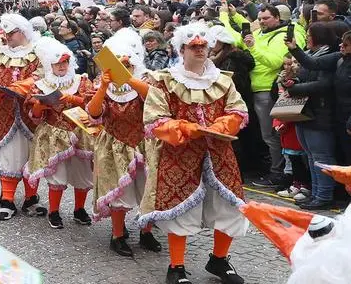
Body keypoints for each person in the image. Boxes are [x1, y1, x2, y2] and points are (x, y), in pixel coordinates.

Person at [139, 23, 250, 284]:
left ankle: (220, 260)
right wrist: (187, 128)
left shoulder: (223, 80)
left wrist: (224, 124)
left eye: (203, 46)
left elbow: (238, 110)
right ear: (181, 49)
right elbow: (154, 119)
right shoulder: (164, 80)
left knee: (228, 207)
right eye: (194, 46)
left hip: (220, 155)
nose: (200, 50)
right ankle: (176, 267)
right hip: (179, 156)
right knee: (179, 211)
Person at [86, 29, 162, 256]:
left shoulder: (146, 79)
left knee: (148, 190)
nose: (121, 66)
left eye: (126, 62)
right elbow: (93, 112)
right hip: (113, 144)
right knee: (119, 192)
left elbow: (154, 99)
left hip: (144, 144)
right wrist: (102, 87)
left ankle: (146, 231)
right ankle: (117, 235)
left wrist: (130, 78)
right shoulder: (104, 84)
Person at [0, 14, 47, 221]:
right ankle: (6, 200)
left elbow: (43, 74)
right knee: (8, 154)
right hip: (5, 113)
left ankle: (31, 198)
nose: (7, 37)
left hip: (31, 114)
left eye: (11, 33)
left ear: (22, 31)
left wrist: (22, 87)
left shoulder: (38, 53)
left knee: (31, 155)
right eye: (5, 33)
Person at [23, 37, 96, 229]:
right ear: (50, 66)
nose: (61, 66)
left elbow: (94, 107)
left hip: (79, 131)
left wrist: (73, 98)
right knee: (57, 175)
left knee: (82, 173)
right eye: (57, 63)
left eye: (64, 62)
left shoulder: (82, 81)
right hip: (53, 133)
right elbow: (34, 116)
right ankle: (54, 211)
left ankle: (79, 209)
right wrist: (40, 105)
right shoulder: (41, 85)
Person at [283, 21, 350, 209]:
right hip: (307, 113)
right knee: (312, 156)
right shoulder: (315, 55)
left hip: (321, 114)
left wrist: (296, 89)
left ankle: (324, 196)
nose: (306, 37)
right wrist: (293, 80)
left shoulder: (333, 57)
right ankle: (316, 193)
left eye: (309, 34)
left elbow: (323, 85)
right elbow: (309, 67)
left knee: (322, 157)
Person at [247, 5, 306, 191]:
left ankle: (279, 173)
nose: (262, 22)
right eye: (260, 18)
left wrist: (253, 49)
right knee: (271, 136)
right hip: (260, 88)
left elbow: (275, 61)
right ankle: (282, 173)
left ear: (278, 17)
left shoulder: (285, 35)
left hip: (271, 90)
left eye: (265, 18)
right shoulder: (260, 34)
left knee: (275, 135)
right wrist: (226, 14)